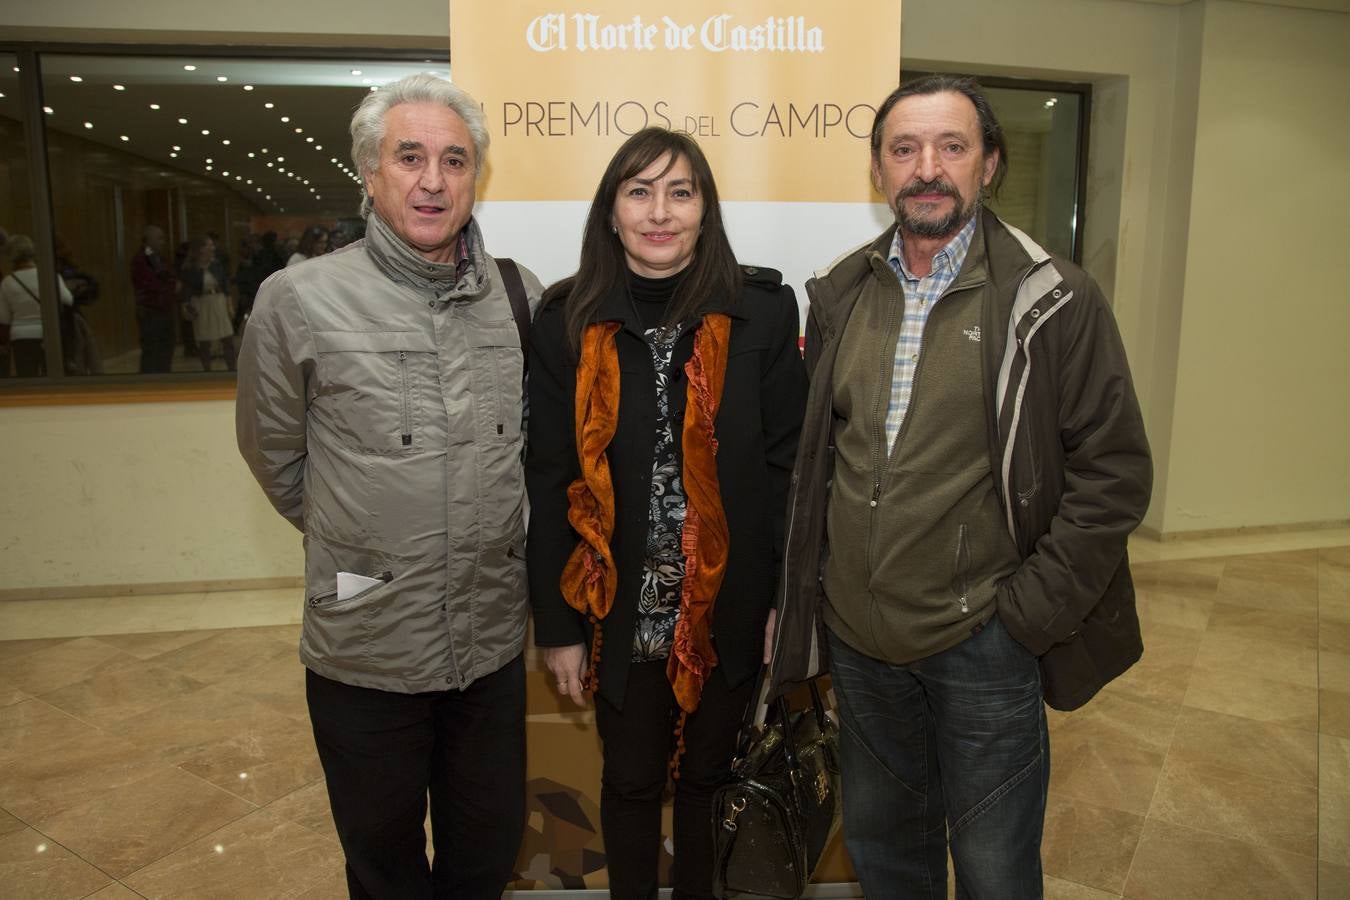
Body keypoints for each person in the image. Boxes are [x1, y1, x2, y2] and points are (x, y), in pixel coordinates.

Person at [767, 74, 1153, 899]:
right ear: (878, 172)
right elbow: (822, 461)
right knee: (887, 856)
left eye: (951, 147)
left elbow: (1113, 475)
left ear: (989, 165)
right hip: (863, 647)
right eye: (904, 150)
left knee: (993, 870)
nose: (927, 168)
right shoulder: (844, 294)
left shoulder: (1052, 299)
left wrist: (1028, 617)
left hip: (983, 641)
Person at [236, 73, 543, 900]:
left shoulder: (520, 300)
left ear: (477, 175)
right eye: (410, 157)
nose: (434, 180)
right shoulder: (297, 301)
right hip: (366, 652)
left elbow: (539, 459)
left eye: (455, 159)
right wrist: (369, 545)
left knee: (488, 853)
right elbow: (278, 462)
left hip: (487, 649)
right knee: (384, 867)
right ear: (370, 172)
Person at [526, 127, 807, 900]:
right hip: (617, 606)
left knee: (709, 780)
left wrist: (784, 597)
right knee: (630, 779)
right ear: (610, 210)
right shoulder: (565, 321)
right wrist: (555, 625)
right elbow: (549, 479)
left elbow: (788, 470)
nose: (660, 212)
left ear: (705, 210)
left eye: (680, 192)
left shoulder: (763, 312)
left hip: (728, 601)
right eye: (639, 191)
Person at [0, 234, 75, 377]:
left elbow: (4, 318)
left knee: (28, 379)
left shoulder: (7, 283)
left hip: (21, 338)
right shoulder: (49, 275)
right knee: (52, 376)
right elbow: (68, 300)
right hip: (48, 335)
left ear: (10, 257)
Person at [179, 234, 236, 371]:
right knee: (204, 340)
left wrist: (229, 305)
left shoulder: (216, 265)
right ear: (200, 249)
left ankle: (232, 369)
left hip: (218, 302)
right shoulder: (190, 268)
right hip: (201, 304)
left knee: (227, 338)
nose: (212, 247)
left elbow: (225, 285)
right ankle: (207, 370)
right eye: (209, 245)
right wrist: (185, 306)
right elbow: (186, 289)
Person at [131, 225, 178, 373]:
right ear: (148, 240)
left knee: (166, 347)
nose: (163, 242)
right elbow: (151, 284)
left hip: (164, 309)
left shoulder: (160, 259)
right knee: (152, 349)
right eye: (159, 238)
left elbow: (171, 278)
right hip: (150, 311)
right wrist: (170, 286)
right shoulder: (140, 260)